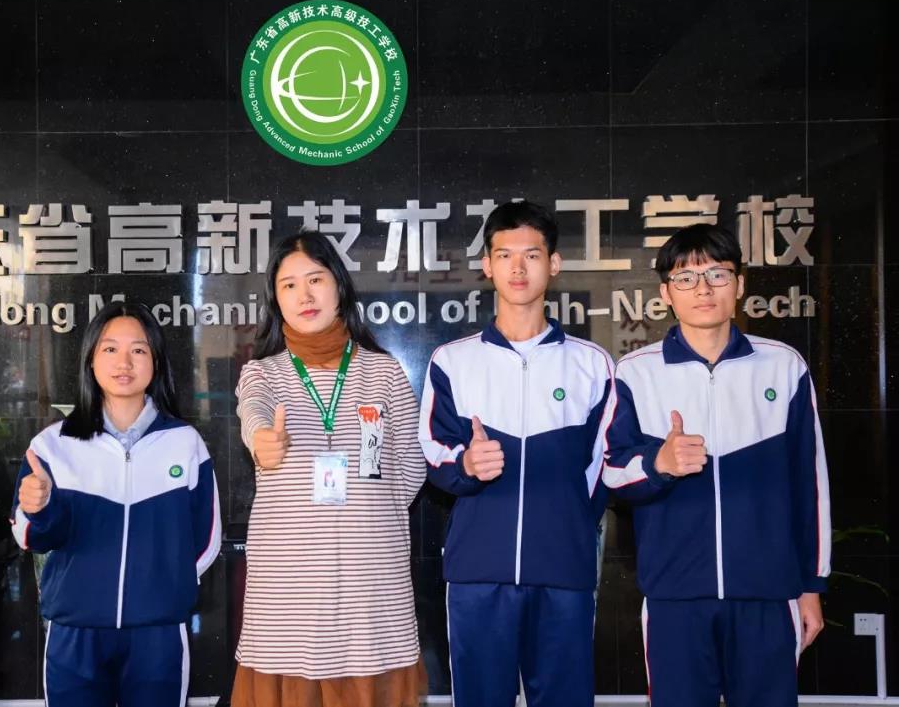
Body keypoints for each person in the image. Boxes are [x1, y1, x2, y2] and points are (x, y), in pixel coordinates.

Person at [602, 223, 831, 707]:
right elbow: (611, 474)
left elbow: (810, 485)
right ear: (666, 293)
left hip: (768, 592)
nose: (703, 289)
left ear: (740, 284)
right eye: (686, 278)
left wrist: (811, 586)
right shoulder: (636, 373)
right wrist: (659, 463)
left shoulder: (784, 366)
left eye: (717, 274)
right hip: (675, 596)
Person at [418, 200, 615, 707]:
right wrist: (466, 465)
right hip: (478, 574)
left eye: (532, 254)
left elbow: (604, 466)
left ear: (554, 263)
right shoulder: (453, 361)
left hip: (563, 571)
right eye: (505, 255)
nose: (518, 268)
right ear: (487, 265)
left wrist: (567, 526)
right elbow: (432, 452)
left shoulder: (592, 365)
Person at [231, 230, 427, 707]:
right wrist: (263, 441)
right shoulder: (263, 373)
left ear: (339, 285)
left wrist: (366, 513)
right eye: (289, 285)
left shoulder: (383, 373)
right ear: (276, 300)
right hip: (290, 587)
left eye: (315, 279)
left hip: (370, 582)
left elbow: (410, 468)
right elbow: (253, 412)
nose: (305, 295)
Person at [10, 301, 221, 707]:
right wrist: (39, 509)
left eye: (138, 350)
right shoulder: (53, 445)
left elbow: (206, 537)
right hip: (75, 629)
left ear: (156, 362)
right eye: (110, 349)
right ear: (91, 360)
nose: (124, 362)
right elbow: (30, 536)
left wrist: (161, 585)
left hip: (157, 632)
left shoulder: (184, 443)